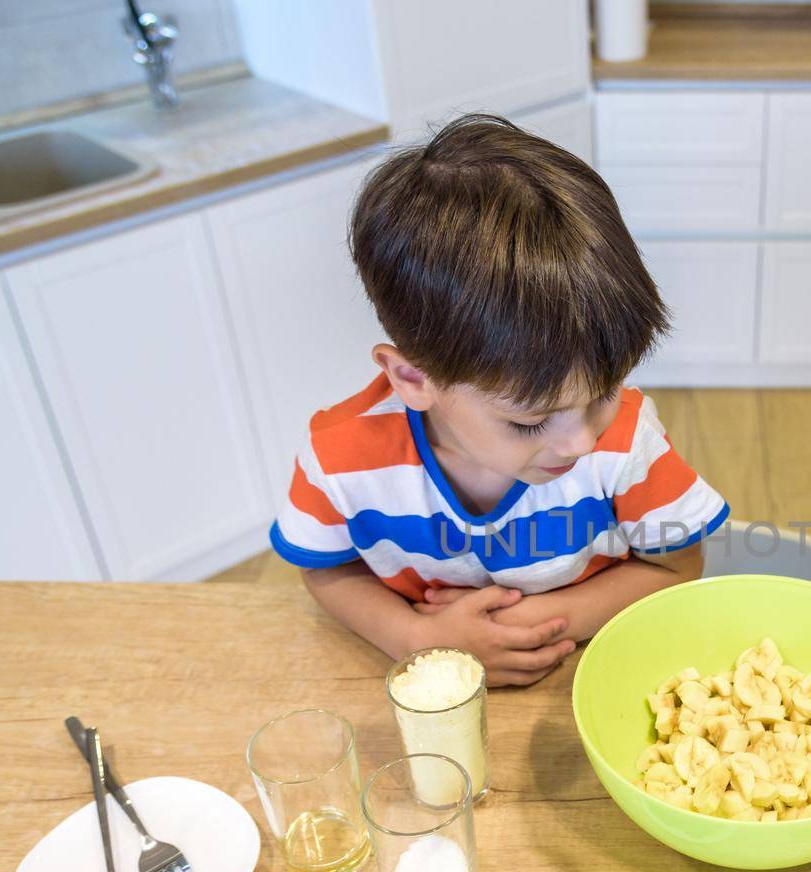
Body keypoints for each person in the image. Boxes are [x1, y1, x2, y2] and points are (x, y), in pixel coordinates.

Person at [271, 116, 728, 686]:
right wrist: (417, 639)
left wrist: (527, 624)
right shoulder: (339, 460)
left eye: (602, 393)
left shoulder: (629, 442)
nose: (582, 441)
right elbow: (327, 571)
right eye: (529, 421)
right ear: (412, 378)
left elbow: (677, 566)